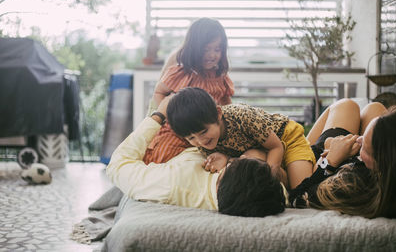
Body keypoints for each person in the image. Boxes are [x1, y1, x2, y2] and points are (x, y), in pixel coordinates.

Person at [106, 95, 286, 217]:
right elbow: (274, 172)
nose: (241, 157)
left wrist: (158, 116)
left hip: (171, 142)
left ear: (223, 178)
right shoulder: (269, 193)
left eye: (238, 162)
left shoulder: (170, 184)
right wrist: (228, 157)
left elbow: (117, 165)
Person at [167, 87, 316, 189]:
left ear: (218, 114)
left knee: (301, 192)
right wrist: (224, 157)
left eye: (203, 132)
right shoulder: (202, 143)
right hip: (260, 150)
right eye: (191, 138)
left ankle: (321, 155)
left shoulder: (242, 116)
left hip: (284, 139)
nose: (200, 141)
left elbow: (276, 146)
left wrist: (269, 178)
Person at [143, 17, 234, 164]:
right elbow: (159, 92)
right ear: (194, 49)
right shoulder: (182, 73)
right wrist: (170, 119)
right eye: (206, 50)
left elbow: (227, 103)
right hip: (179, 130)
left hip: (206, 129)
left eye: (217, 49)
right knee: (164, 154)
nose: (212, 55)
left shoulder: (219, 77)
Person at [290, 98, 396, 219]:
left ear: (377, 163)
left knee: (346, 105)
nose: (359, 139)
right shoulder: (389, 172)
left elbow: (296, 197)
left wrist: (330, 160)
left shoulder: (352, 186)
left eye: (365, 147)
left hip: (326, 164)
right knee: (375, 107)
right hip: (349, 158)